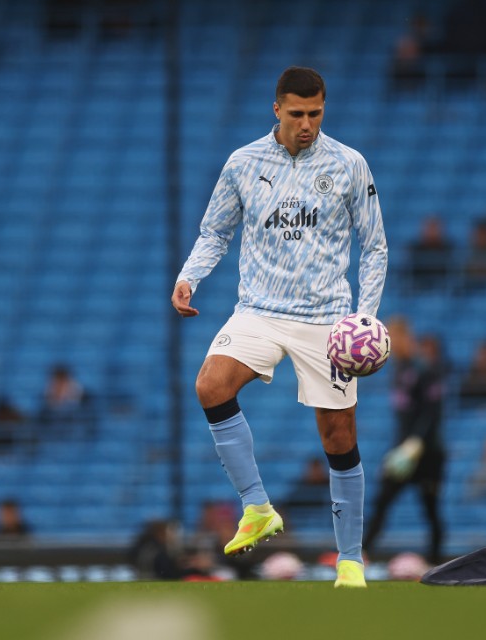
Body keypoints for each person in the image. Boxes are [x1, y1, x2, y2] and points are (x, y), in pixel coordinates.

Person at [171, 66, 387, 589]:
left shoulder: (349, 164)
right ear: (277, 110)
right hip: (259, 310)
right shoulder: (243, 163)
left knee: (338, 436)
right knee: (210, 384)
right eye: (297, 114)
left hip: (326, 319)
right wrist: (188, 276)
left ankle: (351, 562)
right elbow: (214, 232)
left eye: (316, 113)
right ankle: (257, 507)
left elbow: (374, 245)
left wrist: (365, 315)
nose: (307, 123)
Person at [364, 325, 448, 565]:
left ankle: (435, 561)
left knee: (430, 508)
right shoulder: (400, 371)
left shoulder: (425, 370)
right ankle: (359, 554)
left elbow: (433, 412)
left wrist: (415, 443)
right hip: (404, 451)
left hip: (427, 454)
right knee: (382, 500)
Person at [406, 215, 454, 291]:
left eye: (435, 228)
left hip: (442, 287)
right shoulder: (414, 250)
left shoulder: (449, 249)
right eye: (429, 228)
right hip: (419, 287)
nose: (432, 232)